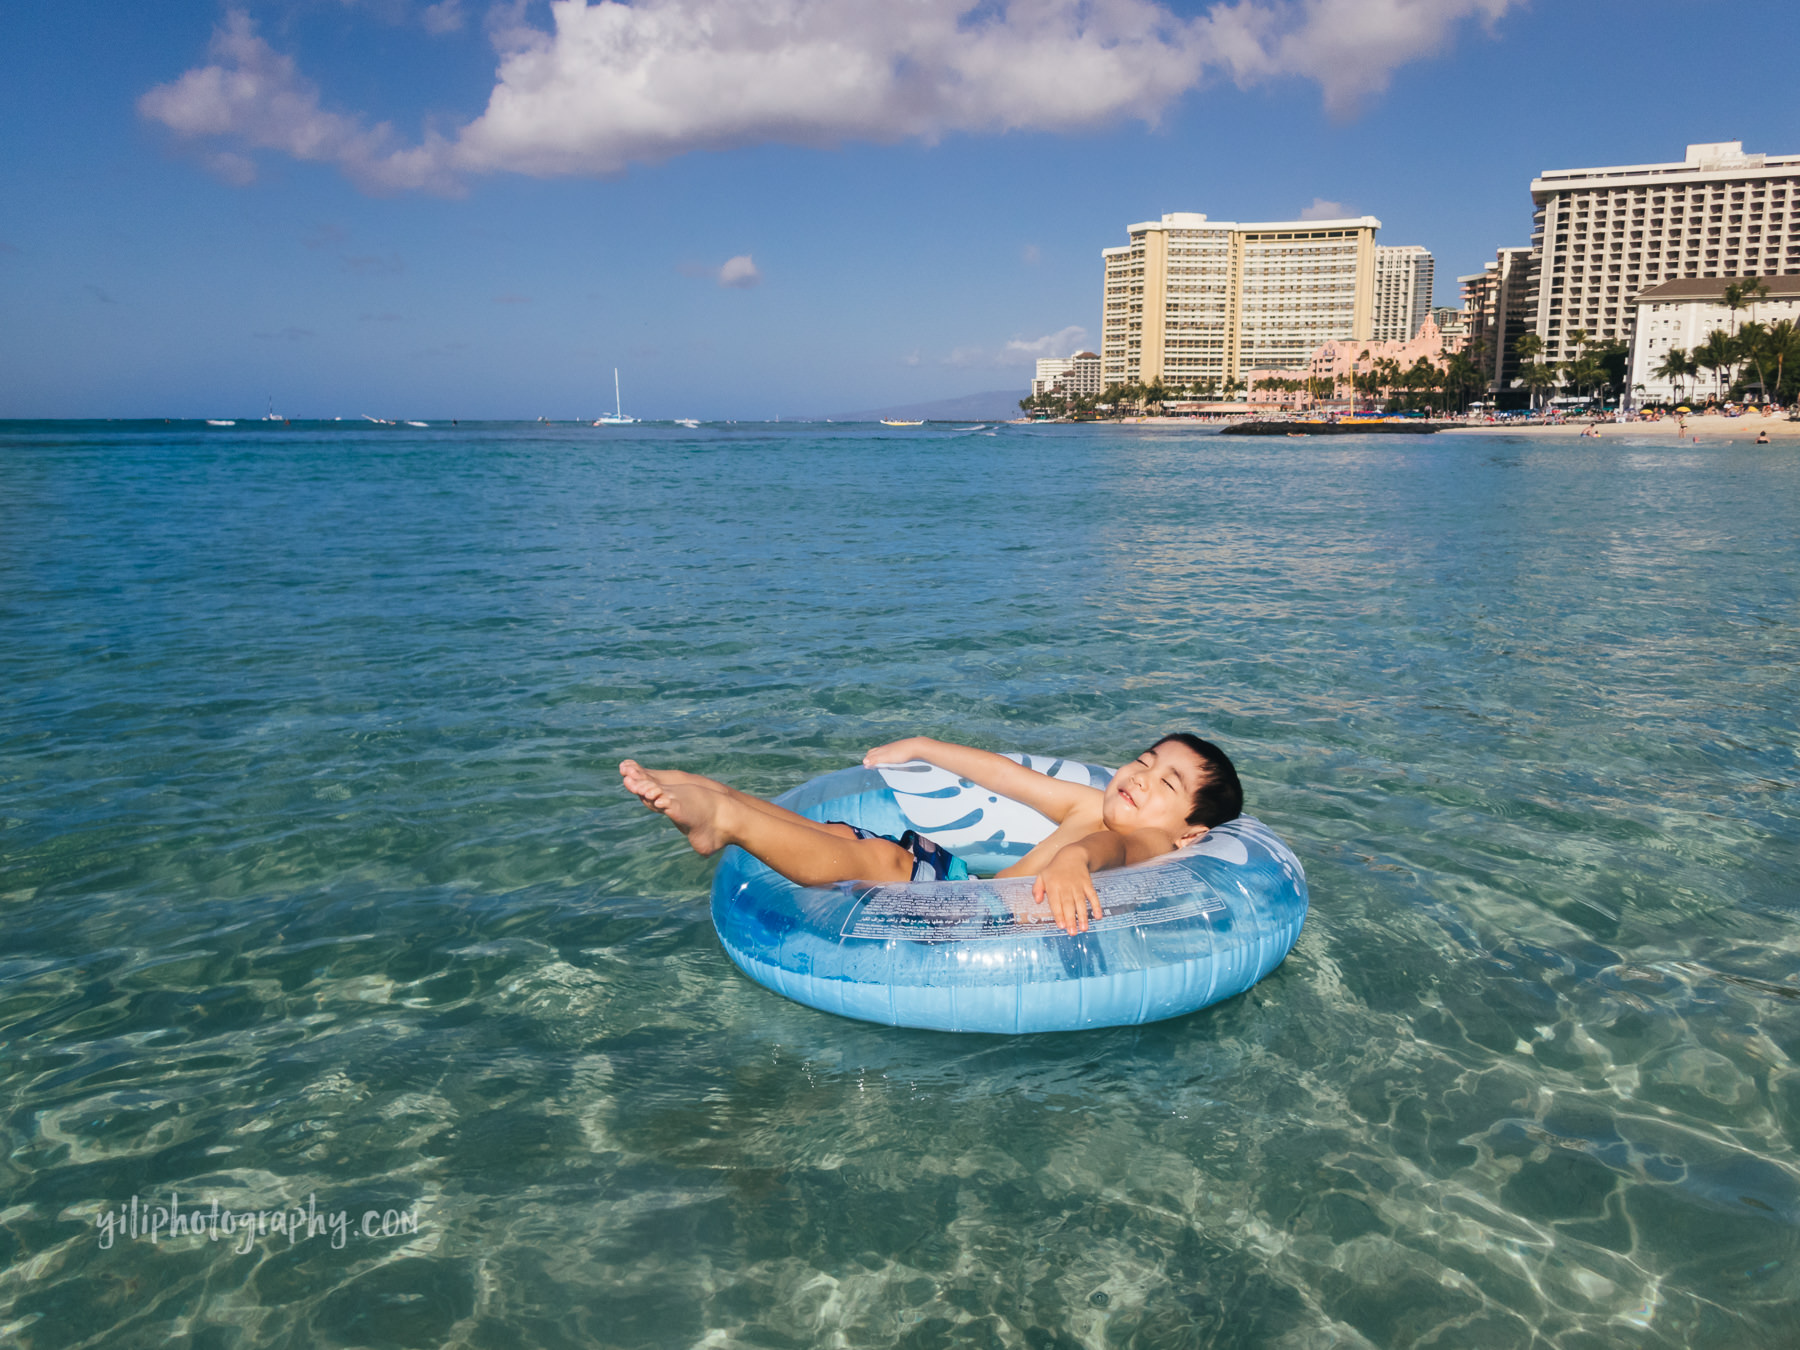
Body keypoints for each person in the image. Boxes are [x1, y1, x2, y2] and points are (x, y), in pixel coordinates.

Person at [620, 734, 1243, 935]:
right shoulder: (1091, 805)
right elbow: (1008, 776)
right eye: (1144, 760)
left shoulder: (1157, 844)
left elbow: (1116, 850)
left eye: (1167, 785)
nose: (1140, 778)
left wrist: (1075, 861)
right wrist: (925, 746)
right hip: (964, 888)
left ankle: (724, 822)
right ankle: (720, 795)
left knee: (881, 865)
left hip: (981, 926)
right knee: (838, 831)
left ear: (1193, 829)